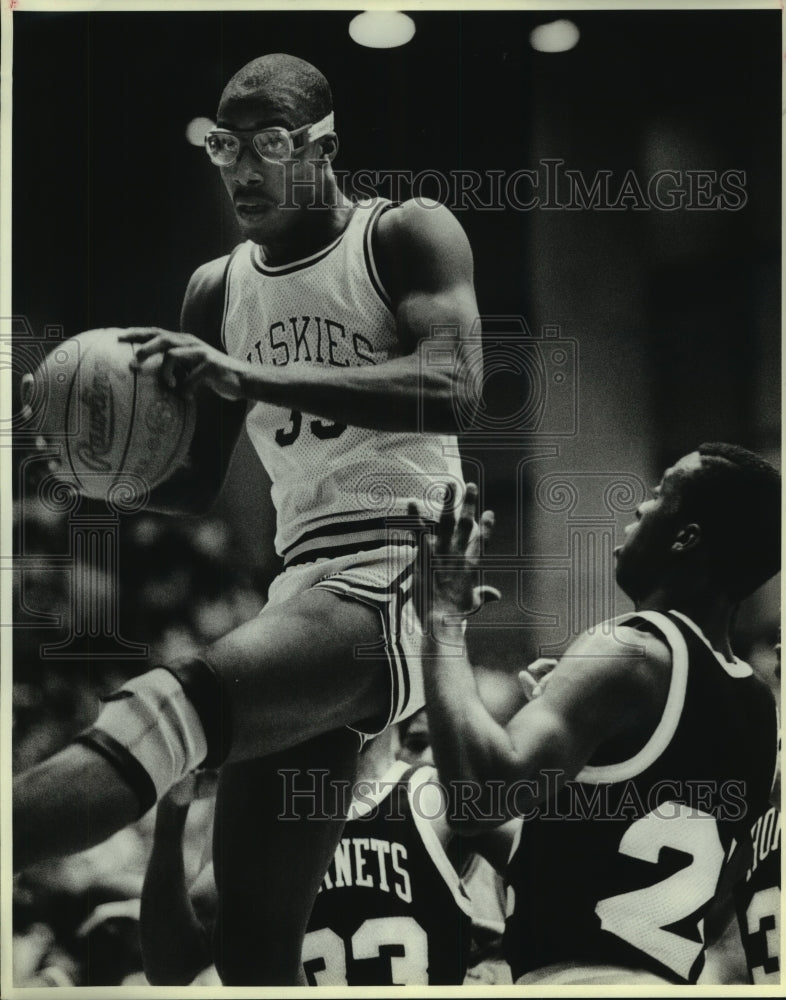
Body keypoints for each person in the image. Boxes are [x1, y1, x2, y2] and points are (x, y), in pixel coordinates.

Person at [14, 52, 483, 985]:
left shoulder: (405, 235)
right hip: (302, 587)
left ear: (324, 148)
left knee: (167, 707)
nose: (240, 168)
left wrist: (255, 376)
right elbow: (189, 485)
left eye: (269, 145)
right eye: (226, 146)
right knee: (254, 947)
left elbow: (456, 386)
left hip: (404, 568)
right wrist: (76, 464)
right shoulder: (214, 290)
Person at [409, 443, 780, 985]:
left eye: (658, 496)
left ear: (686, 538)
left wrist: (443, 618)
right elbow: (702, 901)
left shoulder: (627, 653)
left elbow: (477, 797)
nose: (638, 508)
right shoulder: (759, 709)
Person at [138, 726, 516, 986]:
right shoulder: (265, 817)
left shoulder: (433, 792)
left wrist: (504, 949)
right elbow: (171, 968)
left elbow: (557, 880)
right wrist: (172, 812)